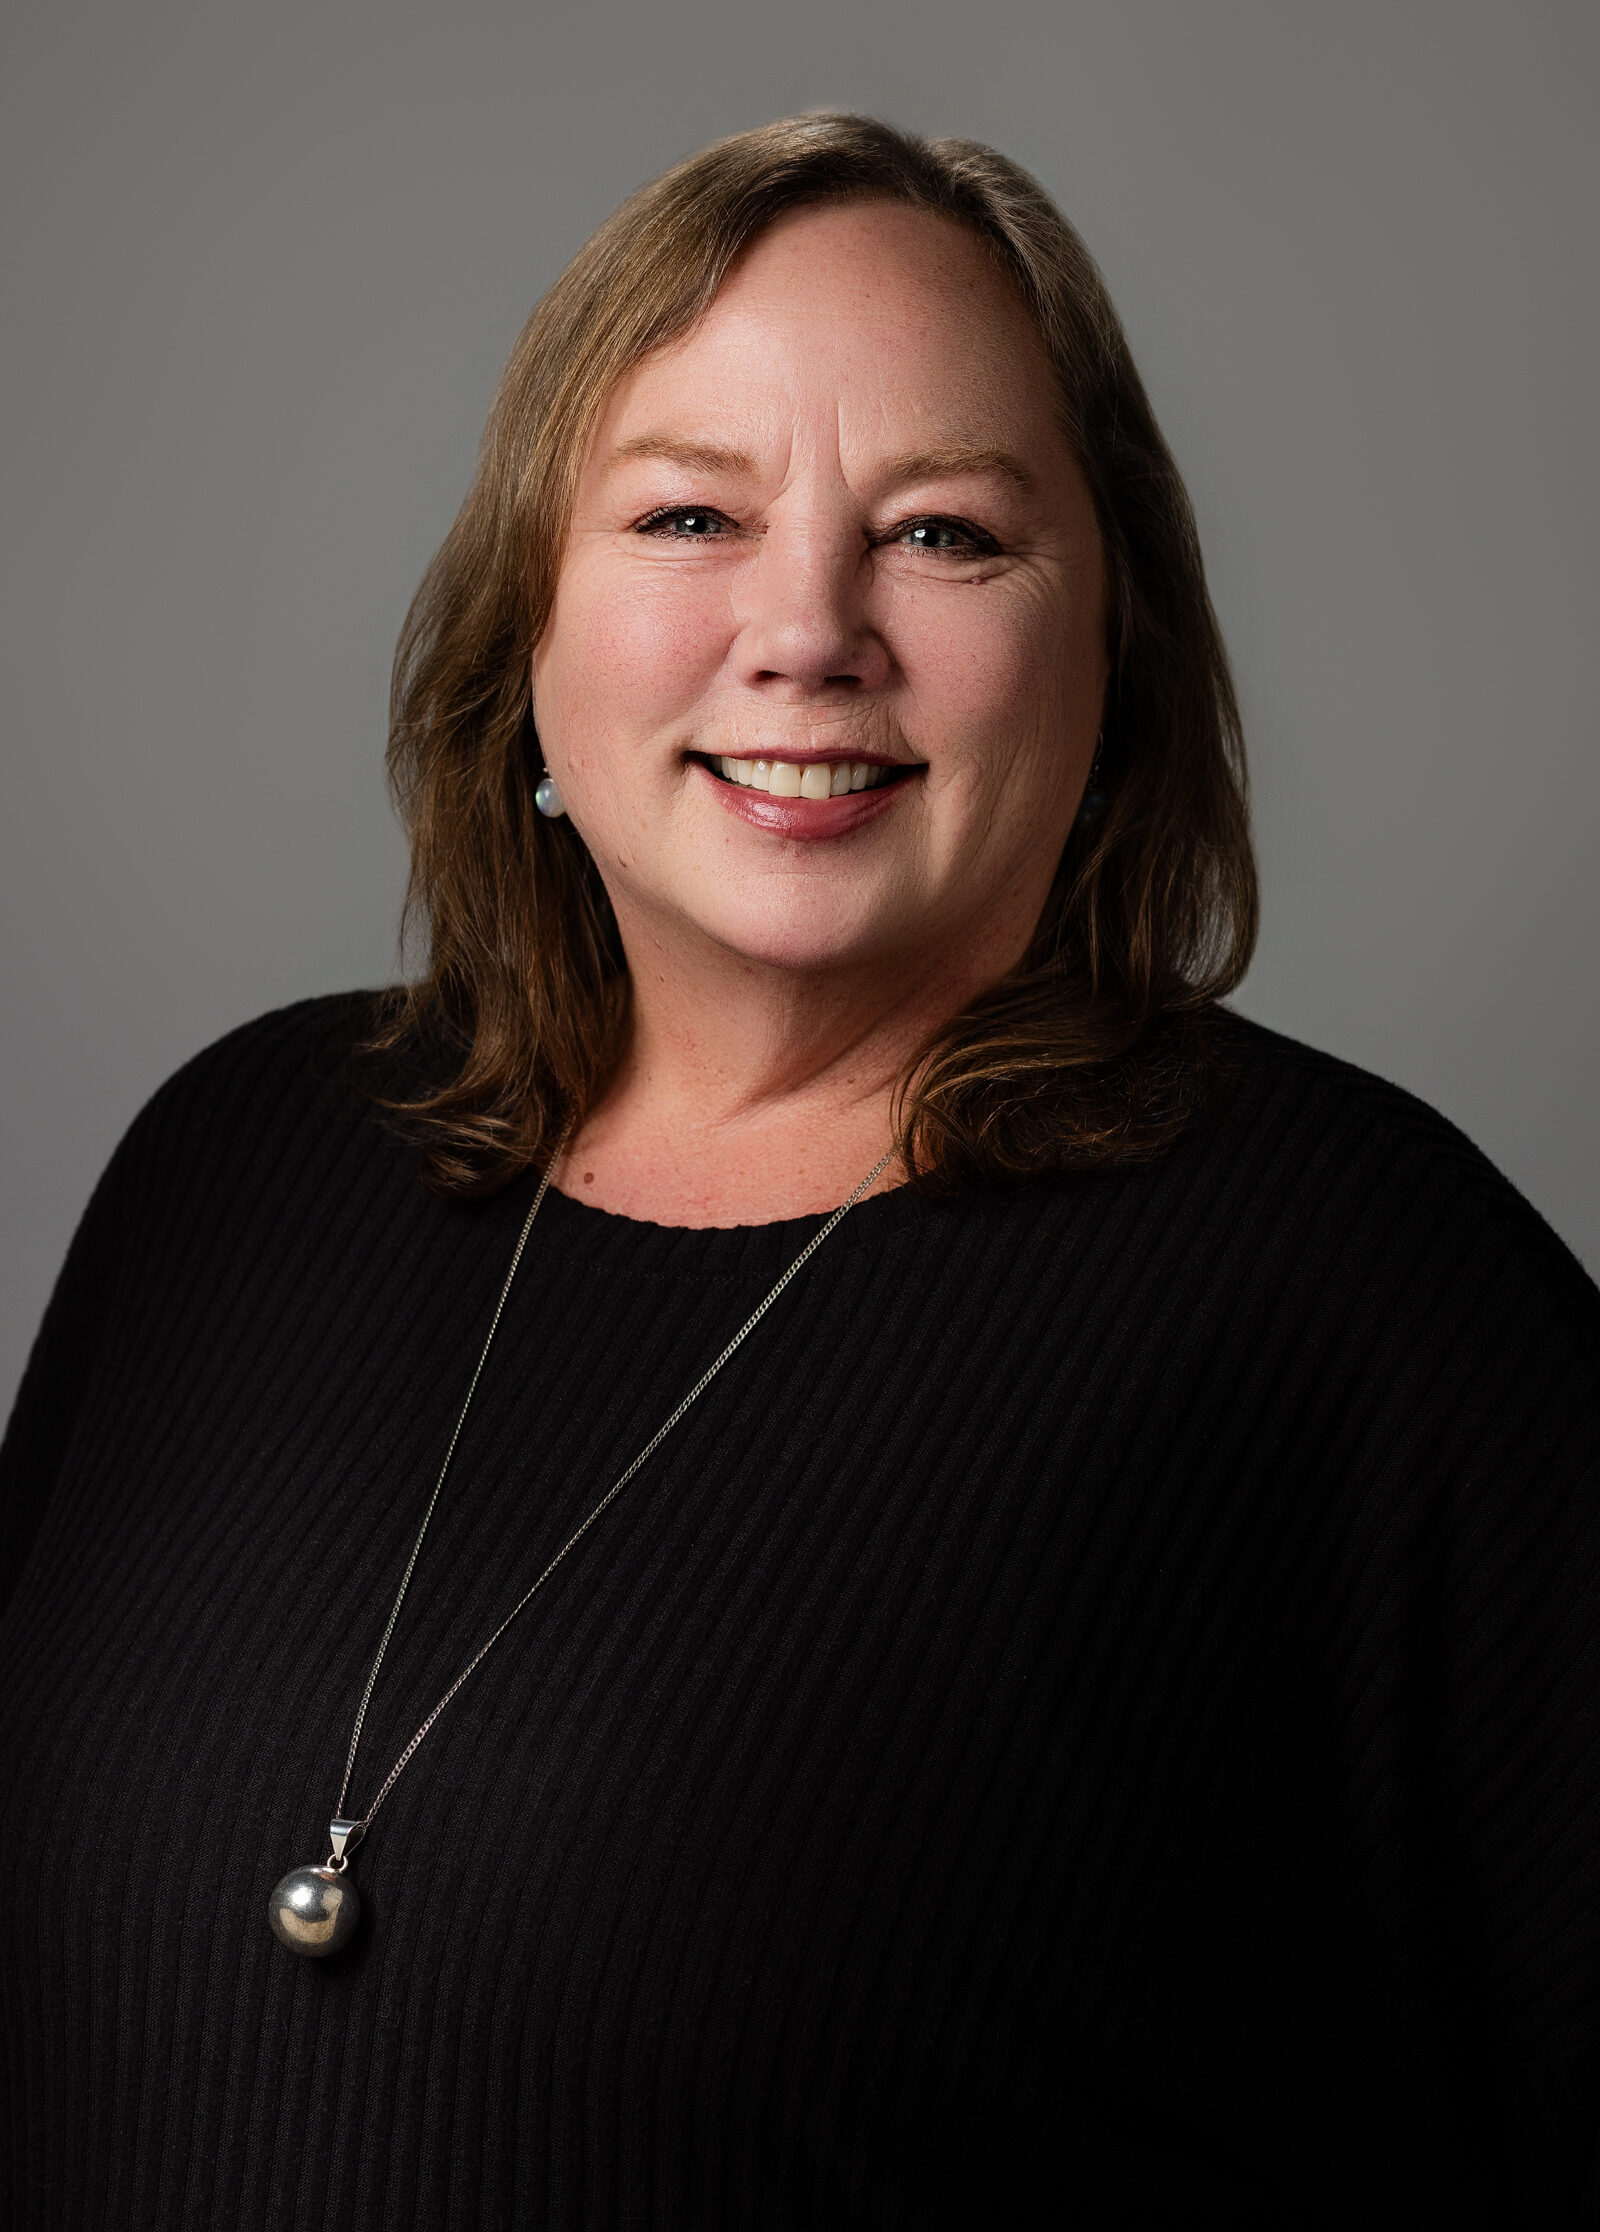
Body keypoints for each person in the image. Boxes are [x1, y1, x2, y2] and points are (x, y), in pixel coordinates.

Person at [1, 112, 1595, 2231]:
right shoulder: (235, 1171)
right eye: (686, 514)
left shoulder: (1372, 1299)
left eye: (942, 536)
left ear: (1107, 659)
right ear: (527, 642)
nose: (806, 631)